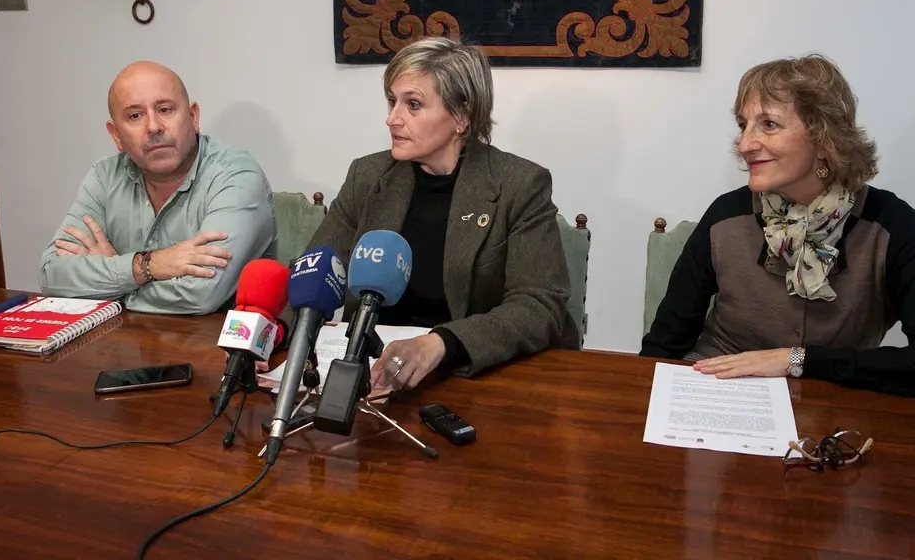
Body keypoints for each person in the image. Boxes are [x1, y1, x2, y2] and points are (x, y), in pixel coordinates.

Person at [641, 55, 915, 400]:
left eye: (769, 124)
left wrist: (797, 360)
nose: (744, 145)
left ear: (823, 134)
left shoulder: (892, 227)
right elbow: (663, 346)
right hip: (720, 394)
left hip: (828, 406)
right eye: (744, 125)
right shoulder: (726, 215)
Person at [308, 37, 571, 390]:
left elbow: (540, 305)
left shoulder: (519, 186)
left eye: (412, 105)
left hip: (469, 374)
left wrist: (442, 342)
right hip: (371, 373)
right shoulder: (367, 177)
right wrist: (270, 335)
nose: (391, 119)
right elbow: (315, 269)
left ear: (461, 115)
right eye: (392, 101)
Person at [38, 61, 275, 315]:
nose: (153, 127)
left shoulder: (235, 176)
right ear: (116, 135)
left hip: (215, 348)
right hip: (121, 346)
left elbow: (200, 294)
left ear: (193, 117)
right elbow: (52, 275)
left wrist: (114, 280)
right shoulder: (104, 176)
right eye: (135, 116)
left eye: (165, 109)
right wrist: (147, 265)